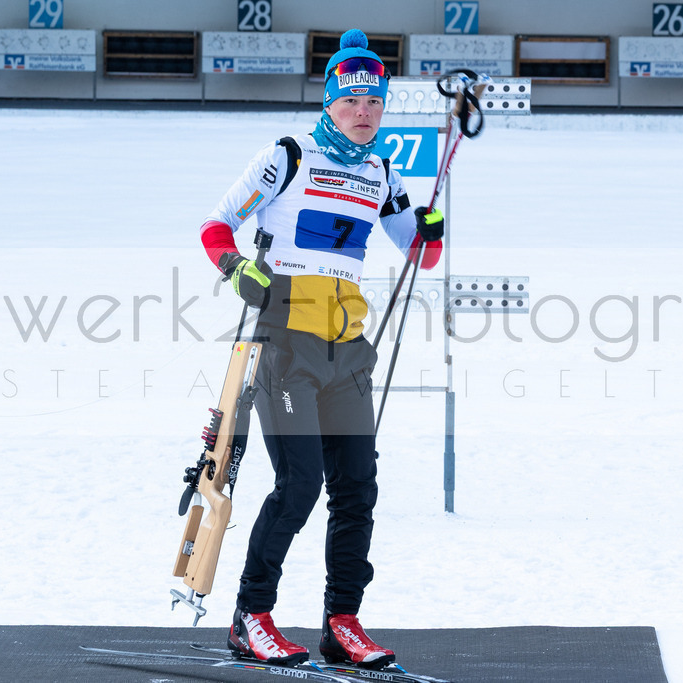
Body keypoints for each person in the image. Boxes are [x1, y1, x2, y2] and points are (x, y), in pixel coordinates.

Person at [198, 29, 444, 669]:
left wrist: (432, 224)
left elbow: (419, 252)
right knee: (299, 485)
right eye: (352, 99)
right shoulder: (289, 154)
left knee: (357, 490)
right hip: (286, 346)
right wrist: (237, 270)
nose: (364, 111)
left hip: (348, 352)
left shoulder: (381, 171)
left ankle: (342, 623)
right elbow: (216, 225)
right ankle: (250, 616)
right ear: (331, 98)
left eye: (375, 102)